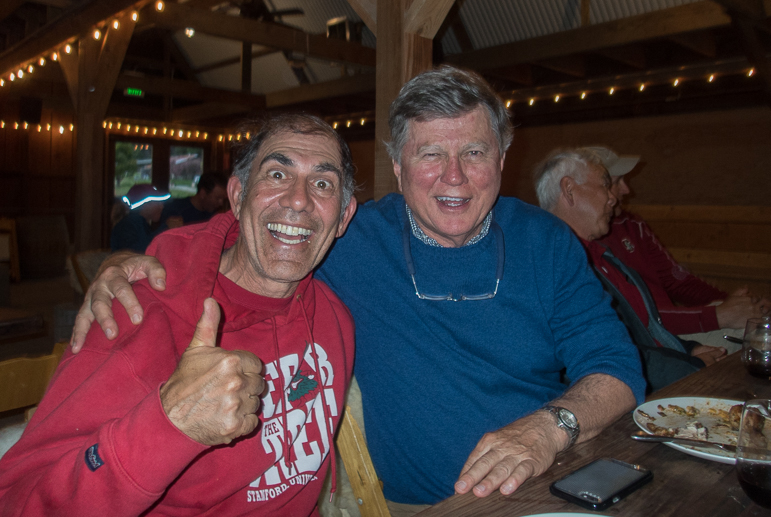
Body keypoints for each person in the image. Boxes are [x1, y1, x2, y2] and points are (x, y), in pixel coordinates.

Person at [70, 66, 646, 513]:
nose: (454, 176)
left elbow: (619, 369)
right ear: (398, 166)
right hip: (425, 508)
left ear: (500, 158)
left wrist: (549, 429)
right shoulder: (349, 237)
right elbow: (261, 226)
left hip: (550, 482)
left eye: (473, 152)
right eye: (430, 154)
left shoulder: (547, 242)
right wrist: (131, 259)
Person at [0, 113, 358, 516]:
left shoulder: (335, 318)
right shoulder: (137, 315)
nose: (298, 199)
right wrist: (170, 423)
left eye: (322, 183)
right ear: (237, 196)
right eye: (277, 175)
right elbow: (17, 502)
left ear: (343, 217)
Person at [535, 147, 728, 391]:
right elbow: (610, 354)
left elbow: (647, 329)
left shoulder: (601, 256)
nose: (613, 198)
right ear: (570, 190)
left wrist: (691, 349)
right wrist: (693, 366)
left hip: (664, 371)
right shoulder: (559, 266)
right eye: (605, 186)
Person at [591, 146, 771, 336]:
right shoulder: (585, 242)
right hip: (655, 337)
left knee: (760, 326)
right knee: (755, 334)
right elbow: (631, 316)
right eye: (616, 182)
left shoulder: (631, 224)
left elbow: (677, 281)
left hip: (673, 330)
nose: (626, 190)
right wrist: (718, 315)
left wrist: (736, 305)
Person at [110, 184, 170, 253]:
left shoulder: (139, 224)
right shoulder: (127, 226)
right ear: (144, 205)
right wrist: (166, 229)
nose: (162, 207)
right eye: (158, 203)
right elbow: (139, 252)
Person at [161, 171, 228, 228]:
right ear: (203, 193)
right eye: (217, 198)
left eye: (223, 199)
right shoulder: (175, 210)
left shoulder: (215, 215)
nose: (221, 203)